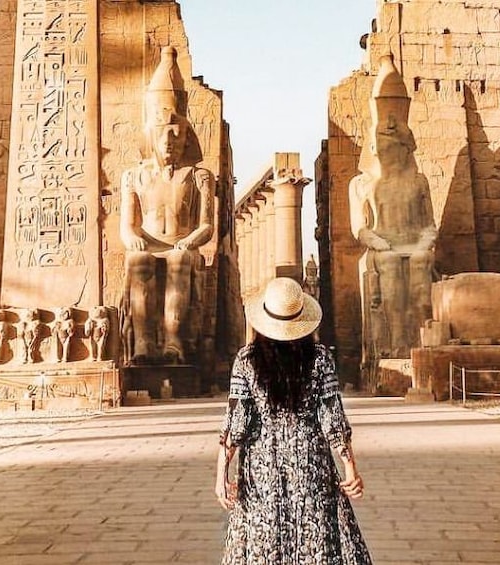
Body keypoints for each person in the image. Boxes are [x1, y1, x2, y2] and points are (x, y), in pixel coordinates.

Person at [216, 277, 372, 564]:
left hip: (261, 468)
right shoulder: (320, 358)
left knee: (263, 543)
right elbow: (333, 418)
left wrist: (221, 474)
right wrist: (351, 469)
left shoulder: (246, 360)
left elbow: (236, 422)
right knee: (315, 542)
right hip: (311, 464)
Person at [120, 46, 214, 365]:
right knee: (139, 261)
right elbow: (127, 225)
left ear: (187, 137)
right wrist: (131, 237)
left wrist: (190, 240)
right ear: (150, 138)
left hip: (182, 243)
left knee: (178, 261)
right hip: (149, 241)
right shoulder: (135, 176)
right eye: (162, 137)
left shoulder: (199, 175)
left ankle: (174, 342)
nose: (169, 144)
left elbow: (206, 224)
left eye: (176, 136)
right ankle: (144, 344)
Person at [349, 54, 436, 357]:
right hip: (384, 245)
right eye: (382, 147)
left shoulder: (419, 181)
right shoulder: (363, 184)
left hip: (413, 243)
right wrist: (378, 242)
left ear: (404, 147)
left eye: (393, 147)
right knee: (390, 272)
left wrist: (425, 242)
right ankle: (398, 342)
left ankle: (424, 341)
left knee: (421, 271)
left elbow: (429, 224)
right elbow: (359, 228)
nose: (387, 153)